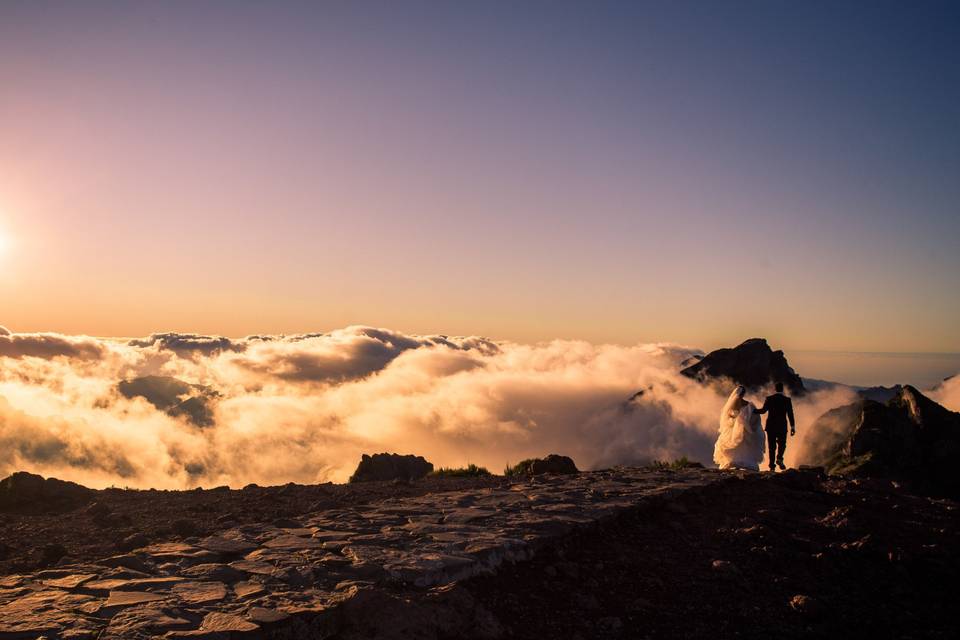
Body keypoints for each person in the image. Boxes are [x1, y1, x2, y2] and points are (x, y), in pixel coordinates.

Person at [713, 385, 766, 471]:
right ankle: (744, 462)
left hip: (733, 427)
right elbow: (753, 415)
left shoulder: (731, 405)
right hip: (744, 429)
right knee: (744, 444)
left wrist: (734, 419)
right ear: (743, 394)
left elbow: (727, 416)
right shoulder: (747, 404)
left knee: (733, 444)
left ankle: (733, 461)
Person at [755, 382, 795, 471]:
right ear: (782, 389)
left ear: (775, 389)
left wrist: (752, 410)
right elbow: (790, 414)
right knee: (782, 445)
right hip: (782, 426)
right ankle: (779, 458)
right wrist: (792, 427)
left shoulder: (769, 399)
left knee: (771, 447)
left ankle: (772, 466)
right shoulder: (787, 400)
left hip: (771, 426)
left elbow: (763, 411)